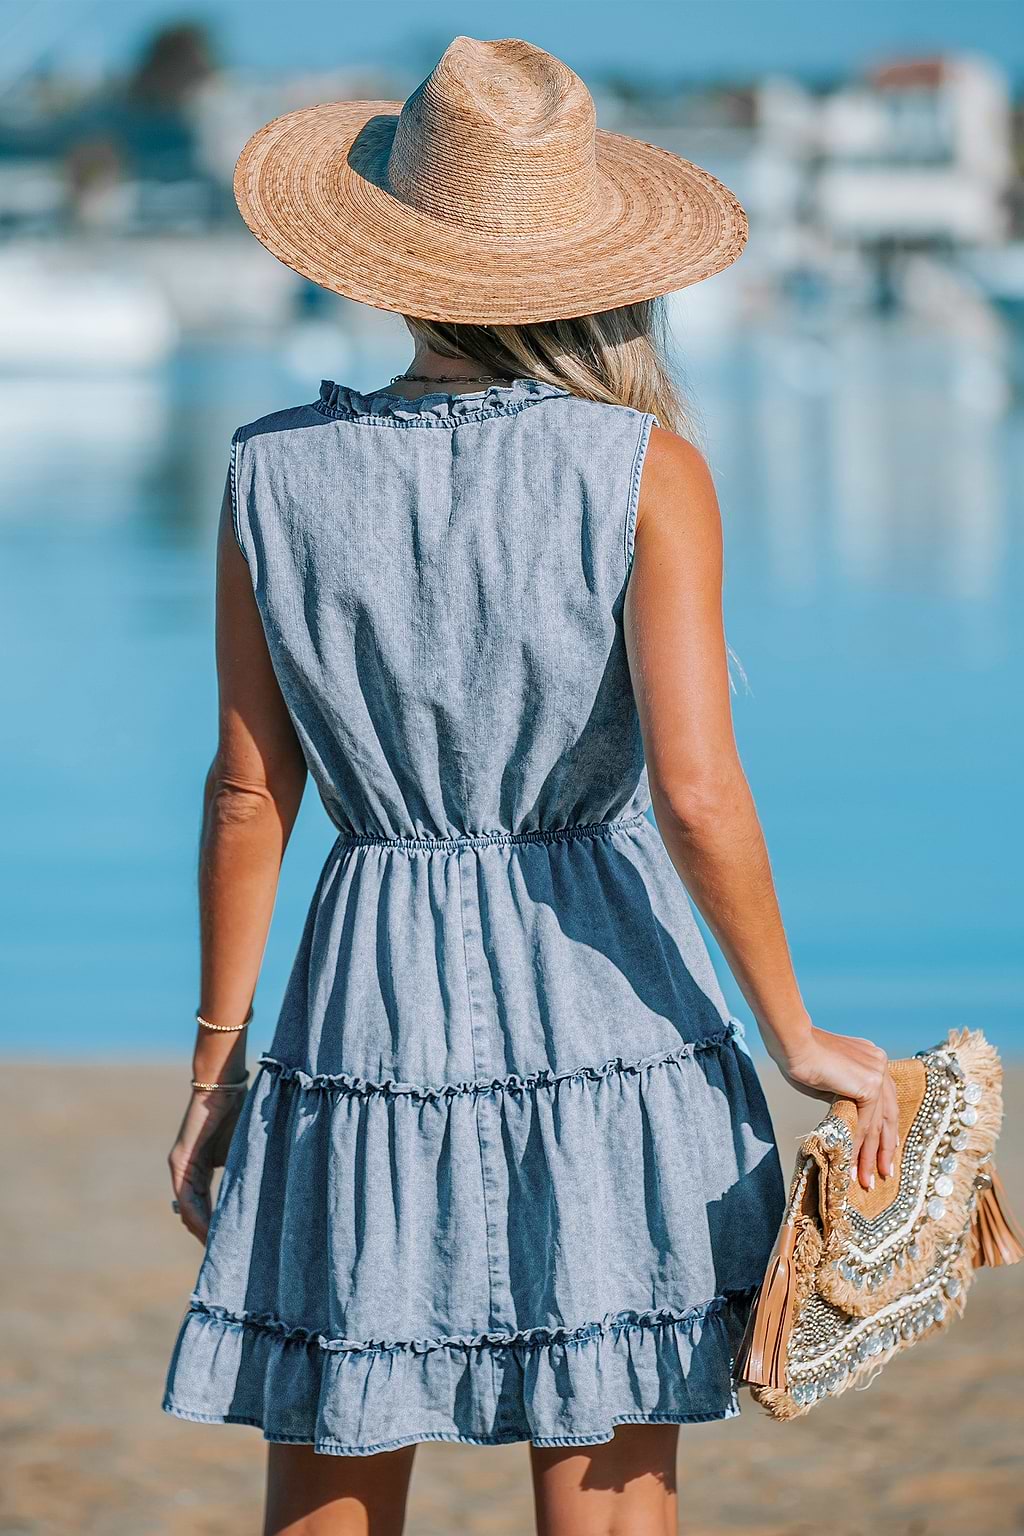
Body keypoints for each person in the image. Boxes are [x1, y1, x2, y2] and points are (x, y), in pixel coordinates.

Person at [163, 36, 898, 1536]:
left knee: (336, 1432)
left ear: (389, 259)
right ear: (594, 262)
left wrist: (215, 1071)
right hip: (608, 1009)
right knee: (610, 1485)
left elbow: (251, 796)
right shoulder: (642, 469)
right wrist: (792, 1032)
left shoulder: (273, 473)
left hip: (363, 1005)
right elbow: (696, 794)